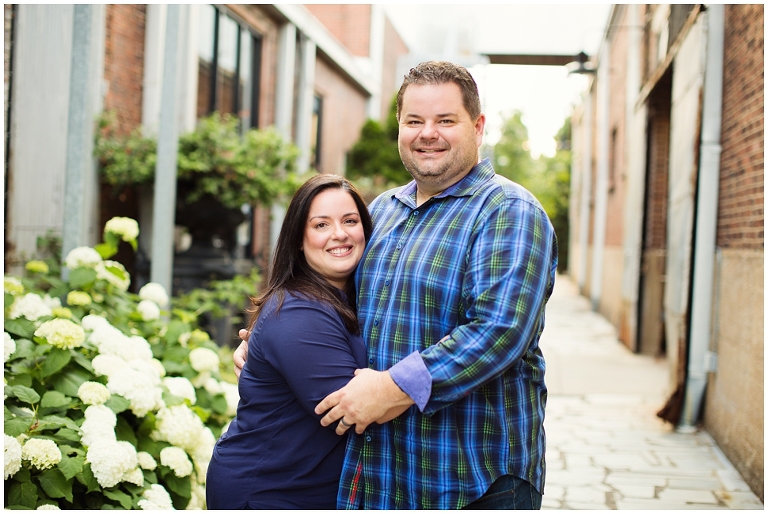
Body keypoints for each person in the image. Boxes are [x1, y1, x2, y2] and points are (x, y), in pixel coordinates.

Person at [235, 60, 558, 509]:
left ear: (478, 126)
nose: (428, 133)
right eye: (414, 121)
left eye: (446, 120)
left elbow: (499, 330)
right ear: (400, 128)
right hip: (382, 477)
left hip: (471, 477)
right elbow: (336, 298)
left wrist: (392, 388)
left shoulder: (508, 211)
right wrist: (274, 343)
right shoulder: (383, 210)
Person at [207, 174, 373, 509]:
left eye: (350, 221)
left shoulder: (344, 298)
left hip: (304, 484)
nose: (339, 234)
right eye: (321, 225)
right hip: (271, 489)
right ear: (299, 238)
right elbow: (349, 413)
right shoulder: (299, 314)